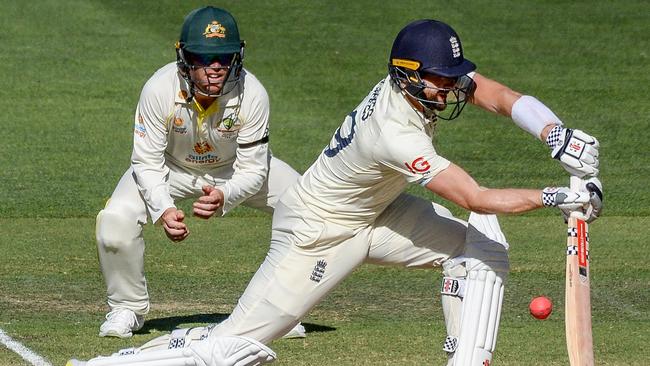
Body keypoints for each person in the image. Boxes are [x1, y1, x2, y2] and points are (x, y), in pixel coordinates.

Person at [70, 19, 603, 366]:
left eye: (451, 77)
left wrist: (556, 136)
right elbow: (474, 197)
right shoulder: (395, 132)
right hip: (318, 231)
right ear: (411, 76)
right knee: (234, 346)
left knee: (481, 249)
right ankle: (112, 365)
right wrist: (561, 196)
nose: (452, 87)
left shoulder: (420, 86)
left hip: (379, 212)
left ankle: (465, 359)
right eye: (443, 79)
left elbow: (500, 96)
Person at [95, 6, 305, 340]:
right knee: (114, 221)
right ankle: (127, 308)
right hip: (169, 167)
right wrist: (164, 208)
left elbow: (254, 168)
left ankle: (279, 312)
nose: (215, 69)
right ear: (185, 58)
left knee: (306, 206)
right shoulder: (158, 89)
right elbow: (146, 162)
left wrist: (227, 195)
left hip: (232, 169)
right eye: (204, 59)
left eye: (224, 58)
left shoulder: (254, 93)